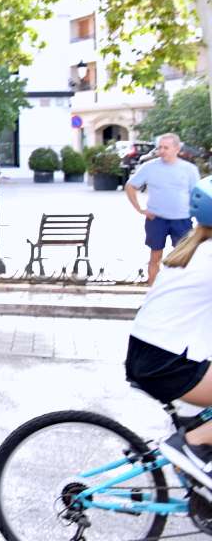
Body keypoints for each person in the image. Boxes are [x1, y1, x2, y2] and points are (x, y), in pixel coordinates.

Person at [127, 176, 212, 488]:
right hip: (169, 364)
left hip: (153, 356)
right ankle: (192, 445)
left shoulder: (195, 248)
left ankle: (197, 452)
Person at [126, 133, 200, 285]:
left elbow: (197, 194)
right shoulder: (149, 167)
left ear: (177, 148)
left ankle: (178, 295)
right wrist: (140, 209)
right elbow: (130, 186)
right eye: (160, 147)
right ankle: (152, 295)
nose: (162, 151)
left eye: (166, 147)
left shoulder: (189, 169)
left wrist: (196, 215)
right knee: (155, 258)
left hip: (182, 220)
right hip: (156, 219)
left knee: (182, 259)